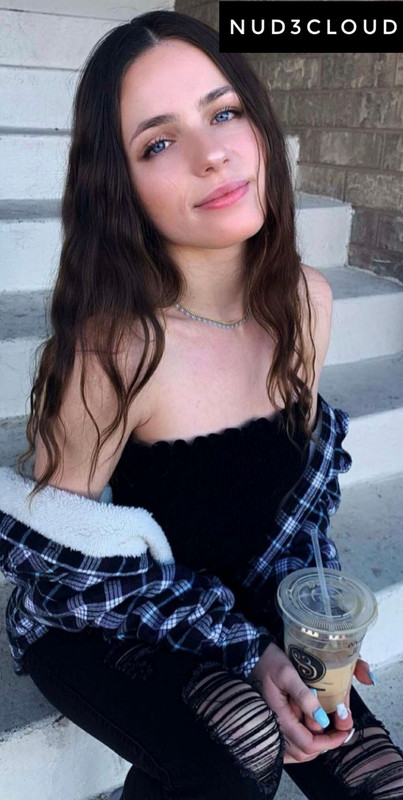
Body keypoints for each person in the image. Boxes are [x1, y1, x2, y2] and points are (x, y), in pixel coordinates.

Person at [0, 9, 402, 800]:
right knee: (239, 743)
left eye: (223, 113)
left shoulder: (306, 303)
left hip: (242, 592)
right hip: (100, 618)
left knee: (374, 778)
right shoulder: (115, 350)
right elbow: (66, 575)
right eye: (158, 143)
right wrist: (247, 649)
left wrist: (306, 620)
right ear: (119, 188)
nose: (211, 153)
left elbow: (296, 509)